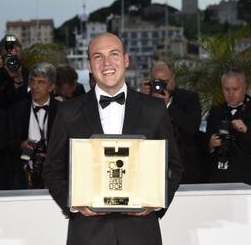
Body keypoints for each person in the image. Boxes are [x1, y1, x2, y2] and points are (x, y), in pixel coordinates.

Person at [43, 33, 182, 245]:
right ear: (89, 65)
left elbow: (173, 166)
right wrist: (73, 204)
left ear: (126, 60)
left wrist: (156, 203)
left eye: (114, 54)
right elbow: (52, 169)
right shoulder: (67, 112)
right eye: (98, 56)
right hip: (87, 234)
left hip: (141, 233)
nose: (107, 63)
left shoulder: (154, 109)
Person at [206, 68, 251, 188]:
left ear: (245, 87)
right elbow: (205, 143)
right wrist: (211, 144)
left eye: (235, 89)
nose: (231, 94)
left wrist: (247, 131)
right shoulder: (215, 112)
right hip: (219, 179)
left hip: (249, 181)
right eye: (226, 89)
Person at [140, 61, 204, 183]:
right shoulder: (145, 100)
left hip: (185, 166)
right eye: (157, 82)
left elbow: (192, 128)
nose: (161, 87)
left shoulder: (189, 98)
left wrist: (168, 105)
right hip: (154, 166)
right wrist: (142, 98)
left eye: (165, 82)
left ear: (173, 77)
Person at [7, 62, 59, 189]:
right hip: (23, 178)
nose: (35, 86)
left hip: (56, 177)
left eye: (41, 82)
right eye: (32, 81)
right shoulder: (16, 111)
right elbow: (5, 142)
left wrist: (51, 157)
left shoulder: (63, 111)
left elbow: (71, 144)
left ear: (51, 86)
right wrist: (20, 145)